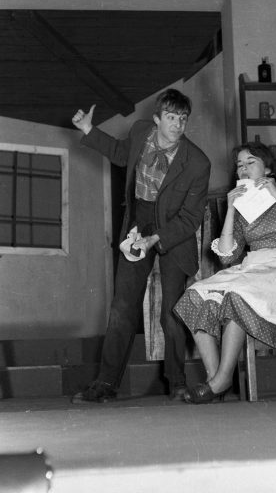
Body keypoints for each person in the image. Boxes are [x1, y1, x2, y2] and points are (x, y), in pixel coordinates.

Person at [71, 89, 211, 402]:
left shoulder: (198, 163)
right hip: (139, 221)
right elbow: (122, 154)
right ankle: (106, 383)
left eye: (183, 119)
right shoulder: (140, 132)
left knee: (171, 311)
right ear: (157, 119)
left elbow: (190, 219)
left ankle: (177, 383)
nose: (177, 125)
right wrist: (88, 129)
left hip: (173, 231)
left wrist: (156, 238)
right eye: (171, 117)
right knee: (123, 306)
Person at [174, 141, 276, 404]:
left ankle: (220, 380)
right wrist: (231, 209)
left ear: (268, 168)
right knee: (195, 294)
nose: (243, 169)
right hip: (253, 266)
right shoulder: (242, 205)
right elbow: (227, 256)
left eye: (251, 162)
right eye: (239, 165)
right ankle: (216, 378)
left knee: (237, 294)